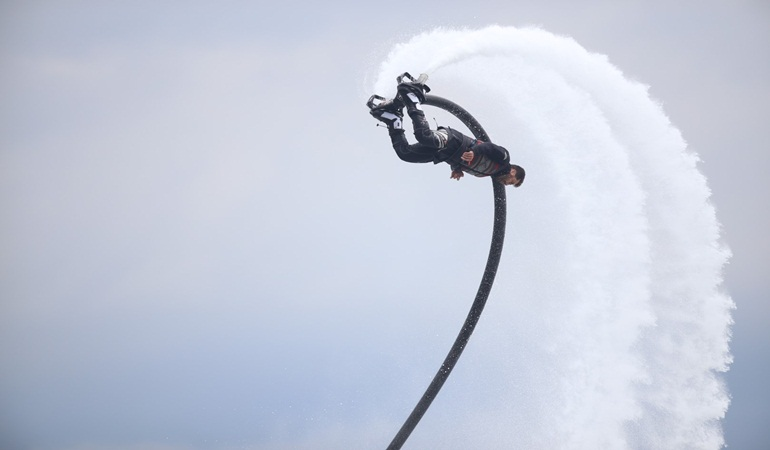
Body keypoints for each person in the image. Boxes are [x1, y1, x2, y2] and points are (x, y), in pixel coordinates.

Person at [369, 76, 525, 187]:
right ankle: (413, 97)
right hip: (453, 140)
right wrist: (475, 152)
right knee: (424, 136)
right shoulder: (504, 159)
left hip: (443, 154)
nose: (506, 184)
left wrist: (456, 168)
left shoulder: (488, 173)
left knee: (406, 154)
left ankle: (393, 120)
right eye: (511, 182)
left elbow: (465, 161)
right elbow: (489, 147)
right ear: (512, 171)